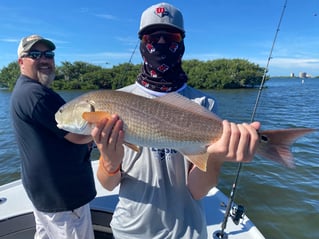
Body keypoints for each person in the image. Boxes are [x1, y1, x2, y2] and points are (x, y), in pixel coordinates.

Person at [91, 3, 260, 239]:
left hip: (187, 232)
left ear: (182, 42)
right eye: (152, 36)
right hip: (130, 231)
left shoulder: (204, 103)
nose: (161, 44)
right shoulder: (115, 101)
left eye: (170, 36)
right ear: (141, 41)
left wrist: (217, 157)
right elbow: (108, 185)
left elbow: (198, 191)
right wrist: (110, 161)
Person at [10, 35, 96, 239]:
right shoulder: (37, 95)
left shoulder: (26, 91)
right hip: (64, 197)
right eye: (34, 54)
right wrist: (103, 129)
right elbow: (77, 135)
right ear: (21, 62)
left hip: (45, 193)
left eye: (48, 54)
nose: (44, 59)